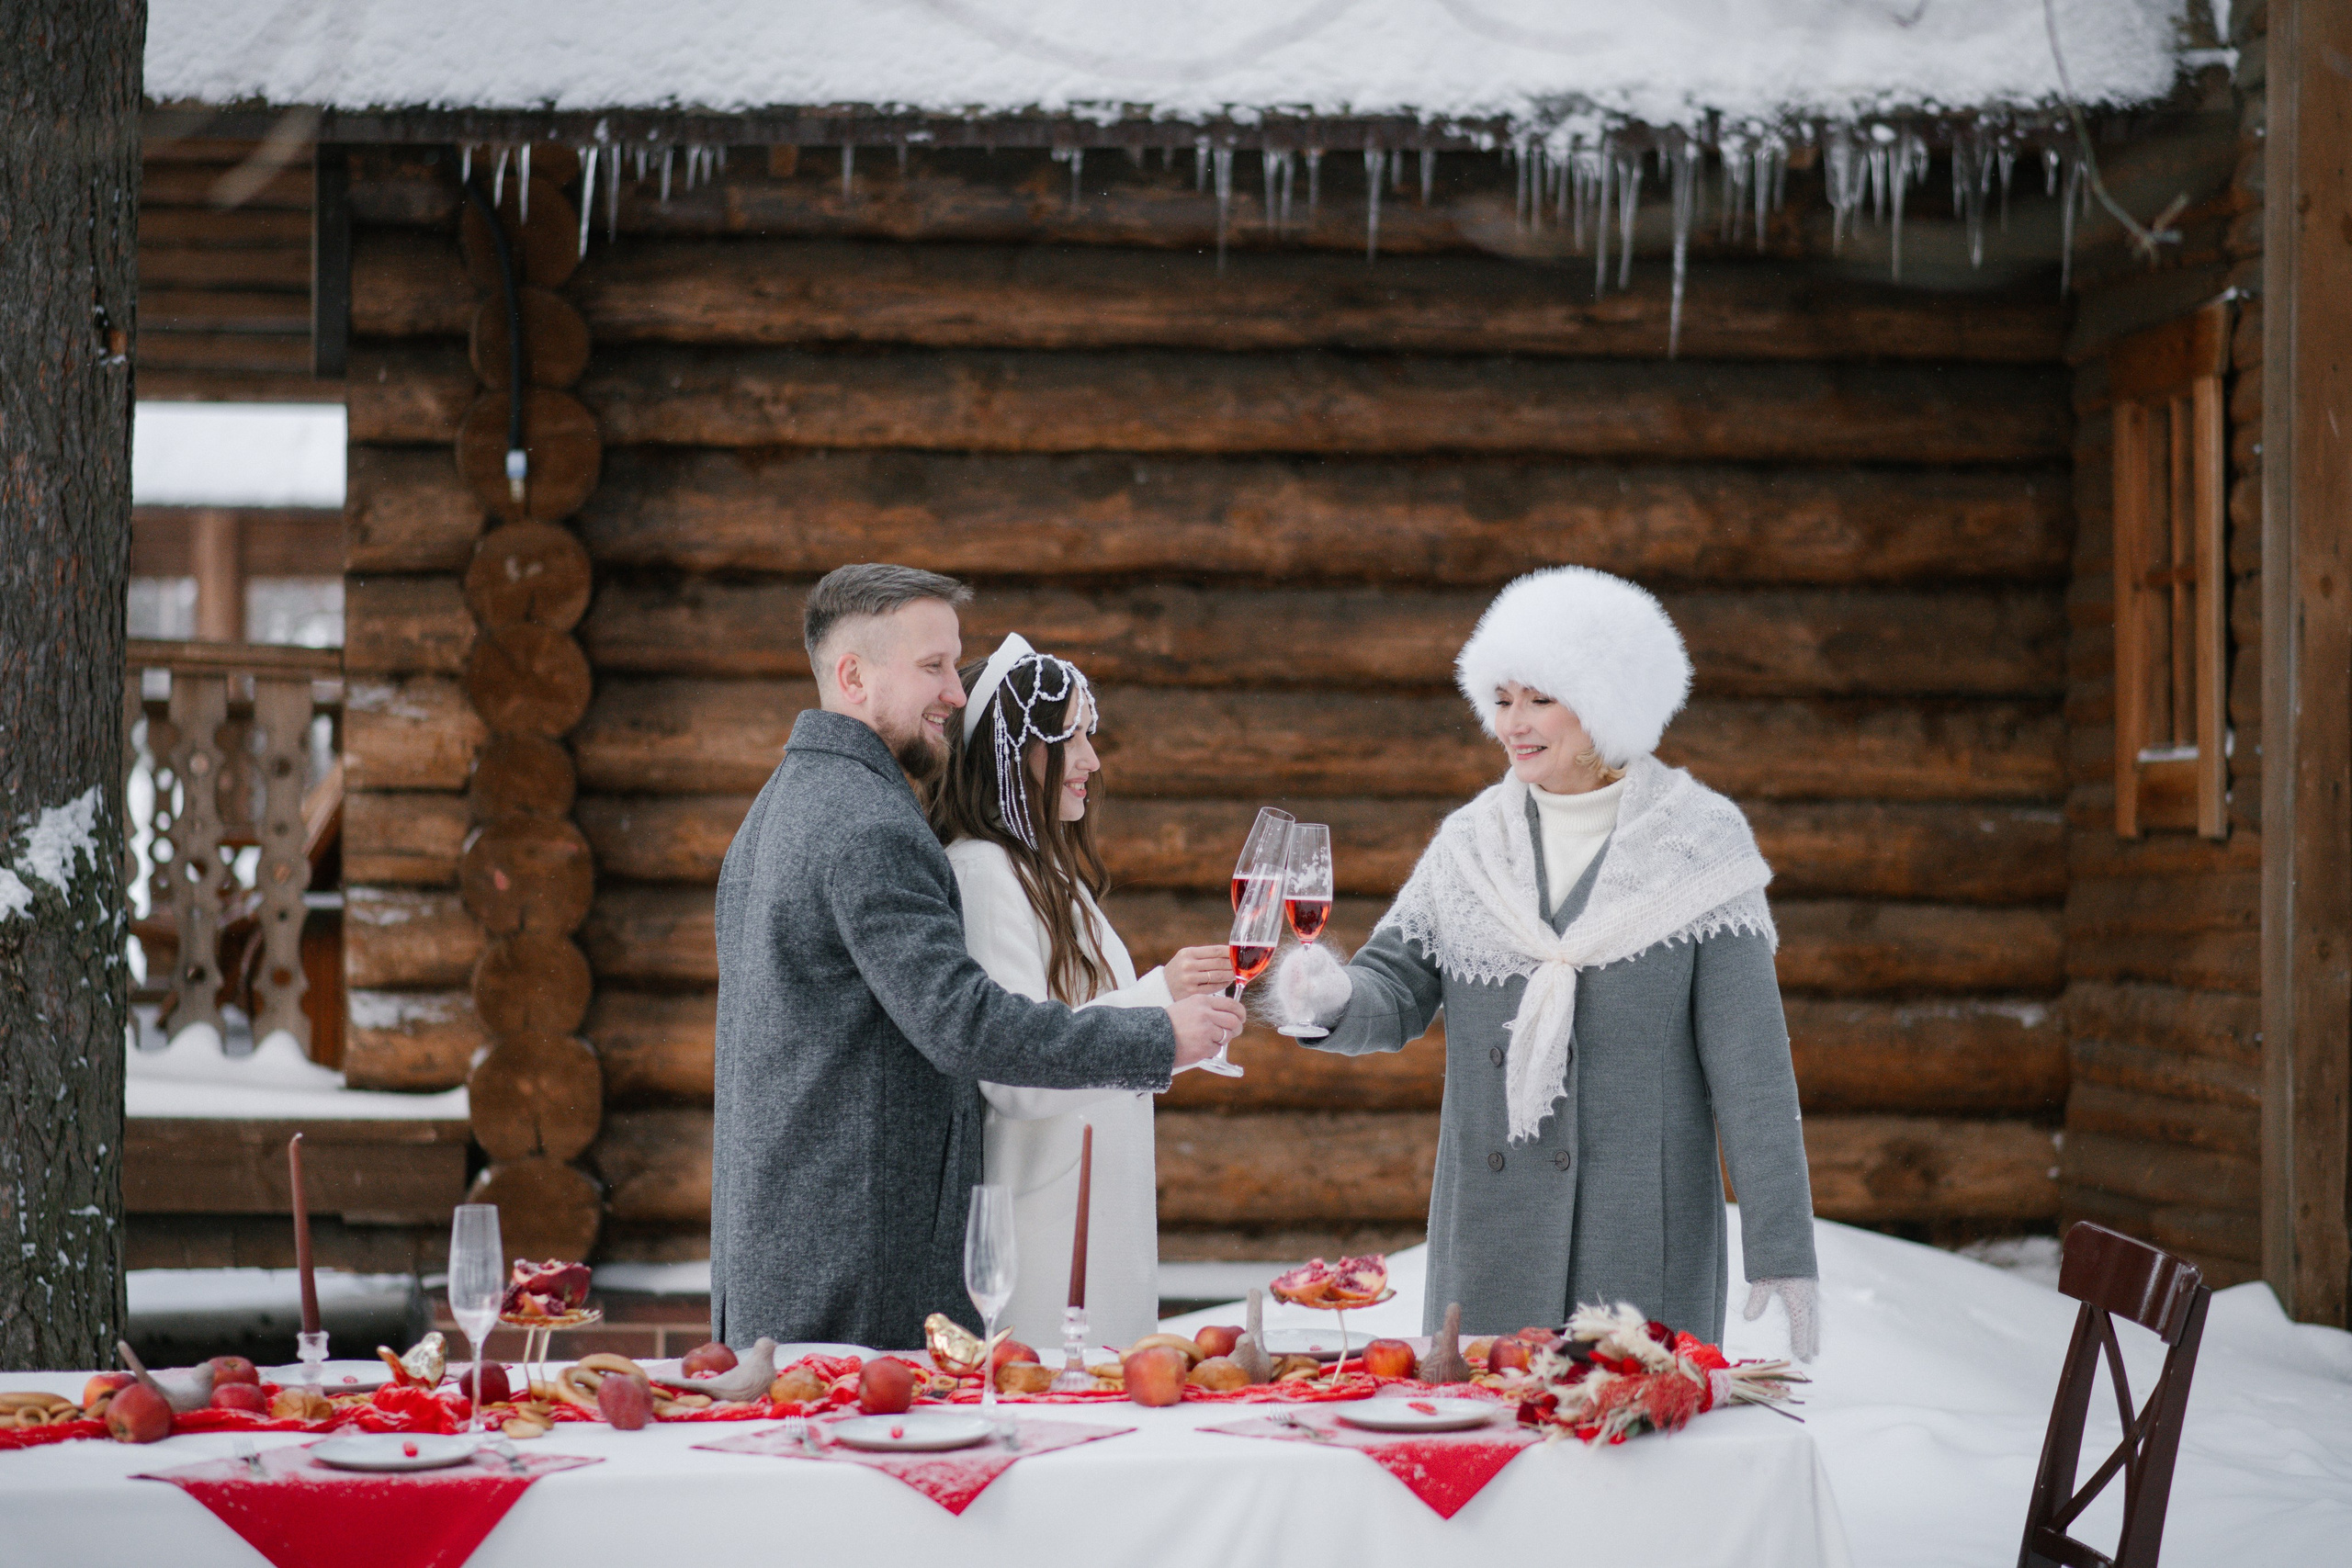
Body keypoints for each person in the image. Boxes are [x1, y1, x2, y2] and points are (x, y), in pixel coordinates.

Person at [1273, 565, 1821, 1358]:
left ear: (1606, 703)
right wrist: (1327, 995)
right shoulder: (1470, 847)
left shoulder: (1700, 844)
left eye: (1540, 698)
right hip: (1491, 1249)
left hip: (1641, 1255)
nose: (1514, 724)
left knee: (1631, 1467)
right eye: (1501, 699)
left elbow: (1753, 1069)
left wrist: (1783, 1251)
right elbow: (1391, 988)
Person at [709, 565, 1245, 1350]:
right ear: (853, 675)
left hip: (785, 1258)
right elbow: (969, 1025)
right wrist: (1158, 1036)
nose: (957, 694)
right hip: (856, 1279)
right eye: (931, 666)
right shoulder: (870, 827)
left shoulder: (778, 807)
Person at [927, 635, 1233, 1349]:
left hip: (1097, 1221)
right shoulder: (982, 873)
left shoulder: (1048, 876)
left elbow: (1082, 1028)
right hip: (1045, 1236)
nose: (1092, 762)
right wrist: (1158, 1004)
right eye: (1073, 739)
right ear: (1013, 753)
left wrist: (1178, 1010)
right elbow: (1013, 1065)